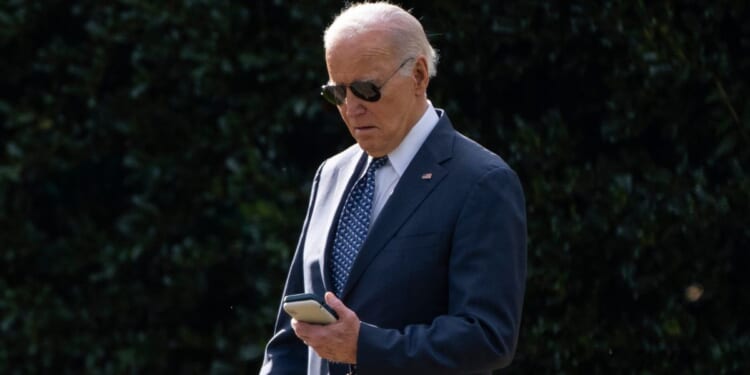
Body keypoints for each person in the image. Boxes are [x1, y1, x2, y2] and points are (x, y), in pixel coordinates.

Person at [259, 2, 527, 374]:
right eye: (337, 93)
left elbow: (487, 337)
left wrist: (363, 346)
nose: (352, 108)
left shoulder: (482, 182)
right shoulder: (332, 173)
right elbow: (293, 335)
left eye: (367, 90)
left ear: (418, 75)